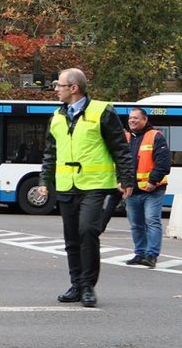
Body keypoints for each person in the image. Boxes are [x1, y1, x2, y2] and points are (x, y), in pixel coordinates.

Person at [35, 69, 134, 308]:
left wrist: (127, 179)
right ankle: (76, 285)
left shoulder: (102, 112)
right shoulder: (57, 116)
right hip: (67, 186)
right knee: (71, 238)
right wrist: (43, 182)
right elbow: (50, 153)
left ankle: (88, 286)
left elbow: (120, 147)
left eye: (59, 85)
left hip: (94, 185)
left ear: (74, 88)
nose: (55, 89)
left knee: (88, 231)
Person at [123, 107, 170, 269]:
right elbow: (120, 162)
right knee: (136, 224)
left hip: (153, 189)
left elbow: (163, 163)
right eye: (130, 118)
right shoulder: (126, 138)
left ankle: (151, 255)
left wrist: (152, 181)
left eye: (136, 118)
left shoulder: (156, 136)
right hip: (131, 190)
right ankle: (140, 253)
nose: (132, 121)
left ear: (144, 120)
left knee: (151, 221)